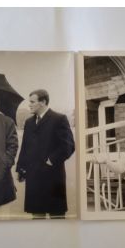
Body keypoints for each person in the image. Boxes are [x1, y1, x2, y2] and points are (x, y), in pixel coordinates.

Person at [16, 89, 75, 218]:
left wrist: (51, 160)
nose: (29, 105)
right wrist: (21, 168)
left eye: (32, 102)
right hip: (33, 177)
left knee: (56, 216)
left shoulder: (59, 119)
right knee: (37, 216)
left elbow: (68, 145)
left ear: (42, 102)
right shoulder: (29, 122)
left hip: (53, 177)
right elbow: (25, 147)